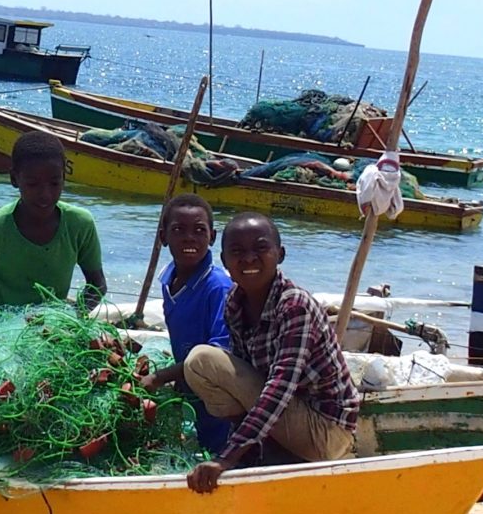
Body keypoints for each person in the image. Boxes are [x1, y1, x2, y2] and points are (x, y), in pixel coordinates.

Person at [183, 211, 359, 494]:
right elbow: (247, 374)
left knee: (204, 359)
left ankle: (263, 451)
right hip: (287, 420)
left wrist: (225, 458)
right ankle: (263, 451)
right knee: (199, 365)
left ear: (281, 254)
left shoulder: (294, 306)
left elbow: (279, 388)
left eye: (261, 248)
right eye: (237, 252)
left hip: (326, 433)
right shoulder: (234, 303)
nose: (249, 258)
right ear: (225, 260)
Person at [0, 130, 106, 337]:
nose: (45, 194)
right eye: (33, 184)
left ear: (65, 176)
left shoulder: (79, 224)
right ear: (14, 179)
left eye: (54, 183)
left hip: (53, 335)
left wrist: (70, 318)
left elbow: (97, 284)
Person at [136, 194, 233, 455]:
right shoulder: (169, 279)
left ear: (212, 237)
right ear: (163, 236)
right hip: (189, 386)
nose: (189, 238)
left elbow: (218, 354)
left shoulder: (218, 287)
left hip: (217, 394)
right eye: (179, 230)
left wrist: (160, 377)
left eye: (199, 231)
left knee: (214, 447)